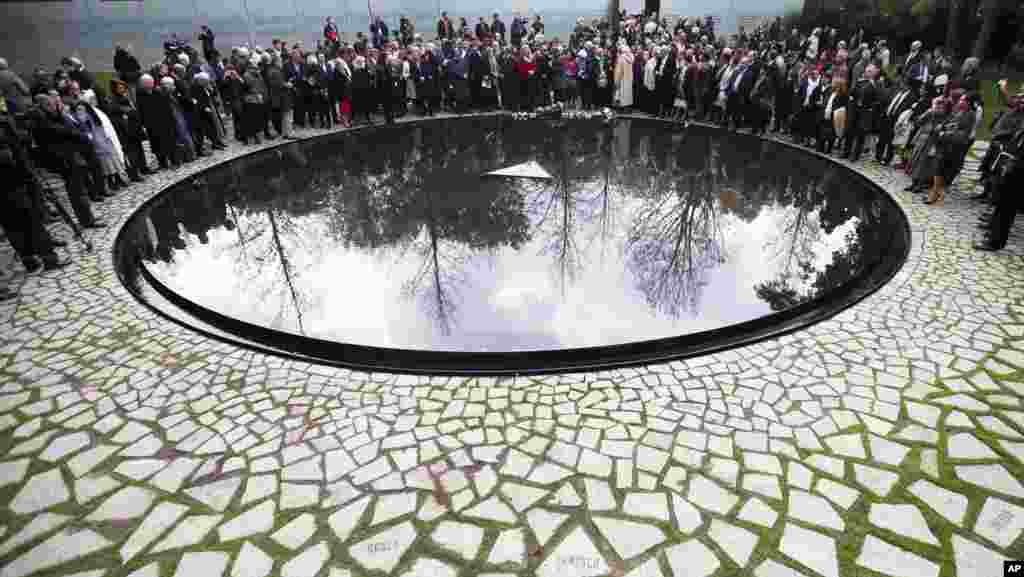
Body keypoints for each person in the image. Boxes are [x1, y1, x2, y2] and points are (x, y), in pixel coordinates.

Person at [0, 98, 70, 285]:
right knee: (30, 221)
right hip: (14, 182)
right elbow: (9, 155)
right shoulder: (3, 125)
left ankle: (30, 259)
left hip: (13, 182)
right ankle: (49, 258)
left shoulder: (5, 121)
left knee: (15, 224)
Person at [30, 93, 106, 228]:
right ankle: (87, 220)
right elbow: (63, 131)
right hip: (63, 159)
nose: (53, 107)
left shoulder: (48, 117)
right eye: (49, 104)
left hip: (68, 156)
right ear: (42, 106)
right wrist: (75, 132)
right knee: (77, 191)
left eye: (53, 104)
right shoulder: (40, 121)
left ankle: (87, 217)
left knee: (79, 189)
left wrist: (59, 113)